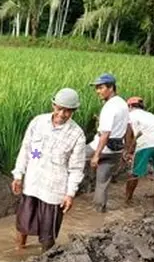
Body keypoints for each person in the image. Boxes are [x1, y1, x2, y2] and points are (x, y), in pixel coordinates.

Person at [10, 88, 88, 252]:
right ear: (53, 105)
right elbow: (26, 149)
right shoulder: (38, 122)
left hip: (54, 190)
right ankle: (18, 252)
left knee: (48, 235)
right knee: (22, 224)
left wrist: (70, 194)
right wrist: (18, 175)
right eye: (59, 108)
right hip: (32, 184)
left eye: (67, 111)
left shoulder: (76, 135)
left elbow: (76, 168)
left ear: (73, 111)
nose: (62, 114)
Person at [86, 73, 132, 213]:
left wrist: (96, 155)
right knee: (102, 183)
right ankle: (98, 213)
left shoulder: (109, 107)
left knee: (71, 157)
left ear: (111, 87)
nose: (98, 91)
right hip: (116, 150)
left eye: (101, 88)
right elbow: (129, 128)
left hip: (101, 147)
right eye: (97, 88)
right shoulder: (123, 103)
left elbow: (105, 133)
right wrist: (127, 150)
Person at [123, 97, 154, 206]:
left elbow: (129, 135)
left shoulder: (129, 116)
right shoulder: (151, 115)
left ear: (129, 106)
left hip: (145, 144)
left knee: (134, 173)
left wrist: (128, 151)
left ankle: (127, 200)